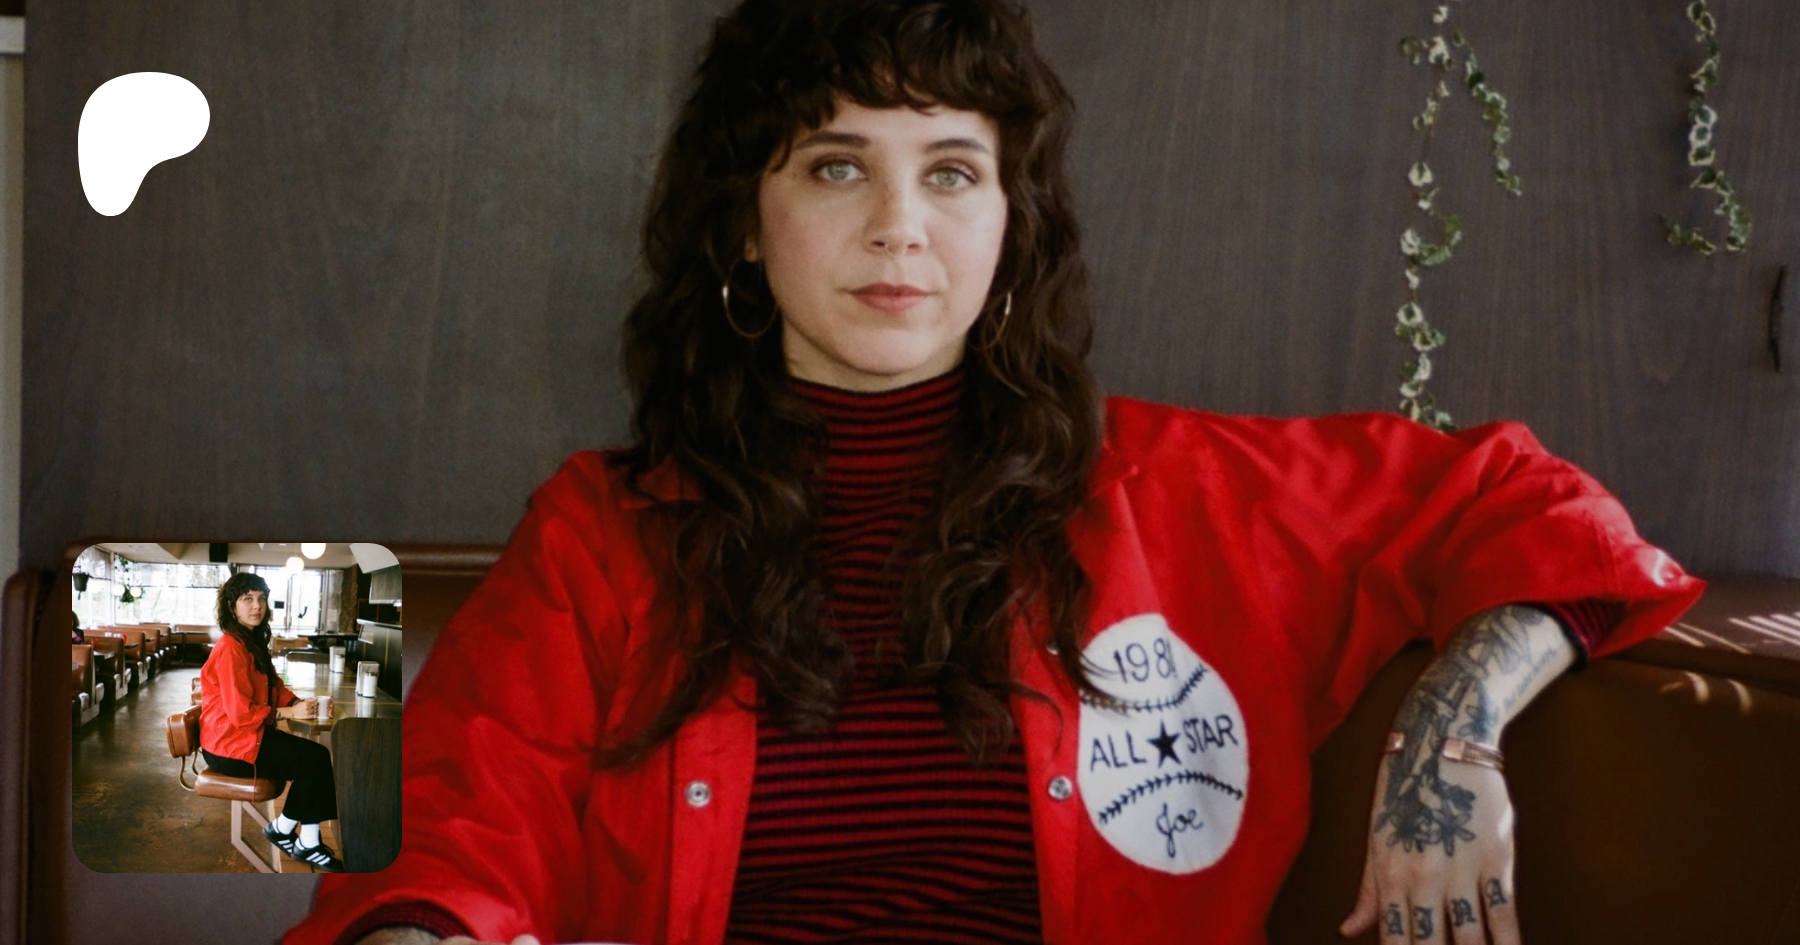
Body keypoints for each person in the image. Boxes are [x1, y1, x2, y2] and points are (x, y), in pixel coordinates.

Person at [285, 1, 1702, 943]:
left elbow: (1527, 505)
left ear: (1011, 223)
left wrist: (1451, 736)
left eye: (952, 171)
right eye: (837, 166)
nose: (900, 226)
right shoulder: (604, 532)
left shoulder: (1189, 495)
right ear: (744, 223)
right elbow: (449, 831)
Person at [201, 572, 345, 873]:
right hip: (229, 746)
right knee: (314, 760)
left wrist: (297, 703)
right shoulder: (230, 648)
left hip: (247, 736)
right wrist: (288, 714)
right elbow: (240, 714)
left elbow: (274, 686)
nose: (257, 606)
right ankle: (288, 831)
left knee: (317, 756)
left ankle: (301, 837)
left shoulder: (250, 641)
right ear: (232, 607)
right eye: (247, 599)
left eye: (262, 599)